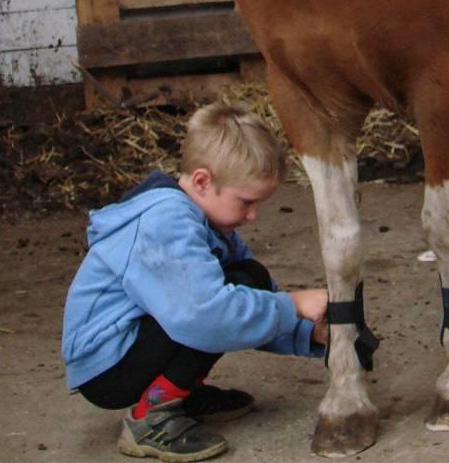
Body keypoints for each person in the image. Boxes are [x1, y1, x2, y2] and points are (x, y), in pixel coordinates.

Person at [62, 102, 328, 462]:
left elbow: (246, 301)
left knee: (249, 279)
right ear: (202, 181)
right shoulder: (166, 221)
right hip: (108, 366)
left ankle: (181, 393)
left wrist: (305, 331)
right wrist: (293, 305)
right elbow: (205, 315)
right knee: (220, 302)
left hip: (135, 346)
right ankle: (151, 418)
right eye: (246, 202)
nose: (252, 216)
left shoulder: (211, 224)